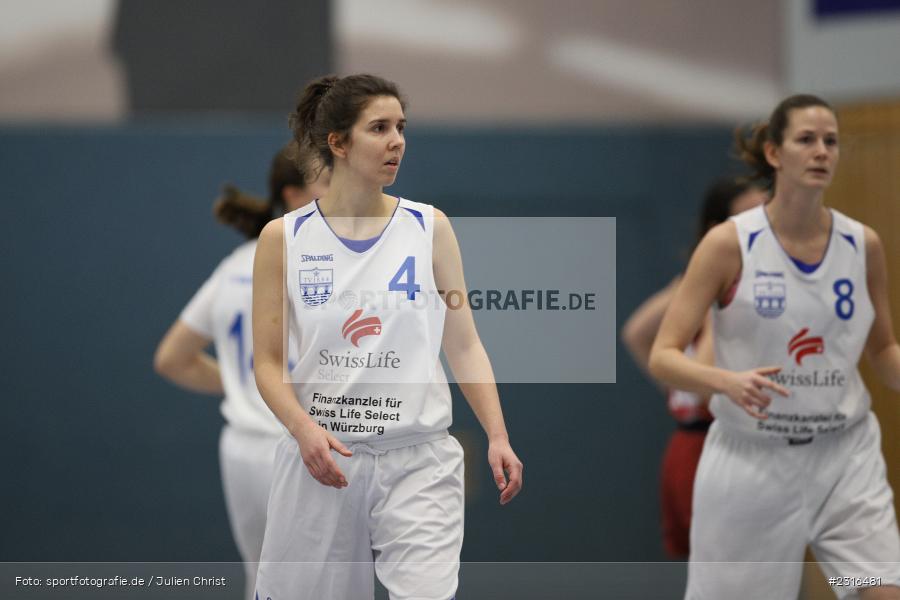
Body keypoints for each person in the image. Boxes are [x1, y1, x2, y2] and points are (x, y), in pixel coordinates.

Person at [251, 73, 523, 600]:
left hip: (418, 460)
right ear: (338, 143)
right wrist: (302, 429)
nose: (397, 140)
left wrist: (497, 434)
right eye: (379, 128)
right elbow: (266, 362)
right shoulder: (284, 238)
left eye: (401, 127)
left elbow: (464, 344)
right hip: (325, 458)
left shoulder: (429, 227)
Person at [649, 94, 900, 599]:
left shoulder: (862, 245)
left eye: (831, 141)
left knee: (876, 589)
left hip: (845, 457)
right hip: (753, 462)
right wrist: (725, 381)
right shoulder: (729, 244)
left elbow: (884, 353)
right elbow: (663, 355)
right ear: (774, 153)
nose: (822, 151)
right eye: (806, 140)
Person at [153, 145, 330, 600]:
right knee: (313, 585)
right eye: (327, 183)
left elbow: (172, 358)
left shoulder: (234, 265)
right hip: (295, 447)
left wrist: (241, 384)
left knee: (261, 580)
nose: (340, 193)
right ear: (292, 195)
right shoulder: (320, 264)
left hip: (240, 451)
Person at [621, 177, 766, 558]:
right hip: (705, 447)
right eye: (749, 221)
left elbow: (635, 333)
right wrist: (680, 382)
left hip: (696, 446)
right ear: (719, 229)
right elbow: (638, 335)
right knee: (724, 568)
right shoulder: (717, 291)